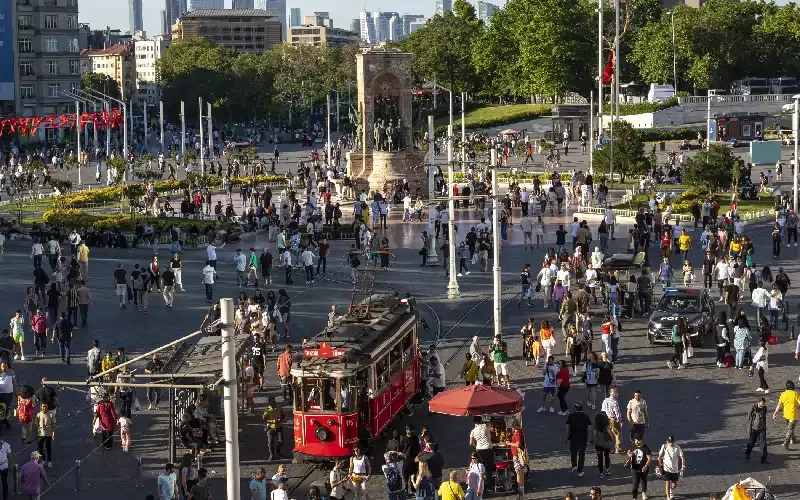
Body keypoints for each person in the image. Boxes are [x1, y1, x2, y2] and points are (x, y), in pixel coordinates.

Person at [565, 403, 592, 476]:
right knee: (581, 454)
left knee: (573, 452)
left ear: (575, 408)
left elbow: (567, 428)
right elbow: (590, 428)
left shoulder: (571, 416)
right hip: (583, 438)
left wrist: (566, 437)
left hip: (573, 437)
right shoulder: (586, 416)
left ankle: (574, 465)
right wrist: (592, 436)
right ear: (582, 408)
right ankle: (580, 471)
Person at [772, 380, 800, 449]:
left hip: (786, 414)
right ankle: (786, 443)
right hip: (793, 415)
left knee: (790, 428)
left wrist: (775, 413)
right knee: (790, 429)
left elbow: (779, 405)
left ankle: (793, 439)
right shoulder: (795, 394)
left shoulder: (783, 394)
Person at [657, 436, 685, 500]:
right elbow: (659, 456)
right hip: (666, 468)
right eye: (669, 442)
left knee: (674, 484)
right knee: (667, 482)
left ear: (674, 442)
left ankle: (671, 490)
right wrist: (659, 467)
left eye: (672, 442)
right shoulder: (664, 446)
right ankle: (668, 497)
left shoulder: (677, 447)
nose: (671, 443)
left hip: (674, 469)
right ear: (667, 442)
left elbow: (682, 457)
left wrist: (683, 466)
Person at [746, 396, 768, 463]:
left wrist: (764, 427)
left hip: (762, 428)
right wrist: (749, 428)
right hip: (754, 428)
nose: (763, 405)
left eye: (764, 403)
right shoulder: (753, 407)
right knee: (751, 442)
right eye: (762, 404)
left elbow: (764, 418)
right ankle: (747, 453)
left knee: (763, 444)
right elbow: (749, 418)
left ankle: (764, 459)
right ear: (759, 402)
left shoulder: (765, 408)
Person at [629, 435, 652, 500]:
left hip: (643, 468)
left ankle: (644, 494)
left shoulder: (646, 448)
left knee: (643, 481)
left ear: (642, 440)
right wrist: (629, 454)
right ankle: (634, 497)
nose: (636, 442)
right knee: (635, 483)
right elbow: (629, 452)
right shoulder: (633, 446)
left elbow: (649, 458)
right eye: (635, 440)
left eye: (638, 440)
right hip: (634, 468)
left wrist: (646, 466)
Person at [34, 403, 55, 467]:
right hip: (41, 434)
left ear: (47, 407)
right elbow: (36, 423)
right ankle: (43, 459)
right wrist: (37, 430)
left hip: (48, 434)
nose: (44, 408)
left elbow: (53, 424)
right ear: (41, 407)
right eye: (43, 406)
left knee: (48, 448)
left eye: (45, 406)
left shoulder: (51, 415)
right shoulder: (39, 414)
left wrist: (53, 433)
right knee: (40, 448)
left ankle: (49, 461)